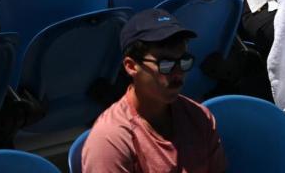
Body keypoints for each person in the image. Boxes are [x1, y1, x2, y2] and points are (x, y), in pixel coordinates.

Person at [82, 9, 227, 172]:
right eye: (166, 64)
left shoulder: (199, 117)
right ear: (131, 66)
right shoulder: (110, 141)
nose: (178, 73)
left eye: (184, 61)